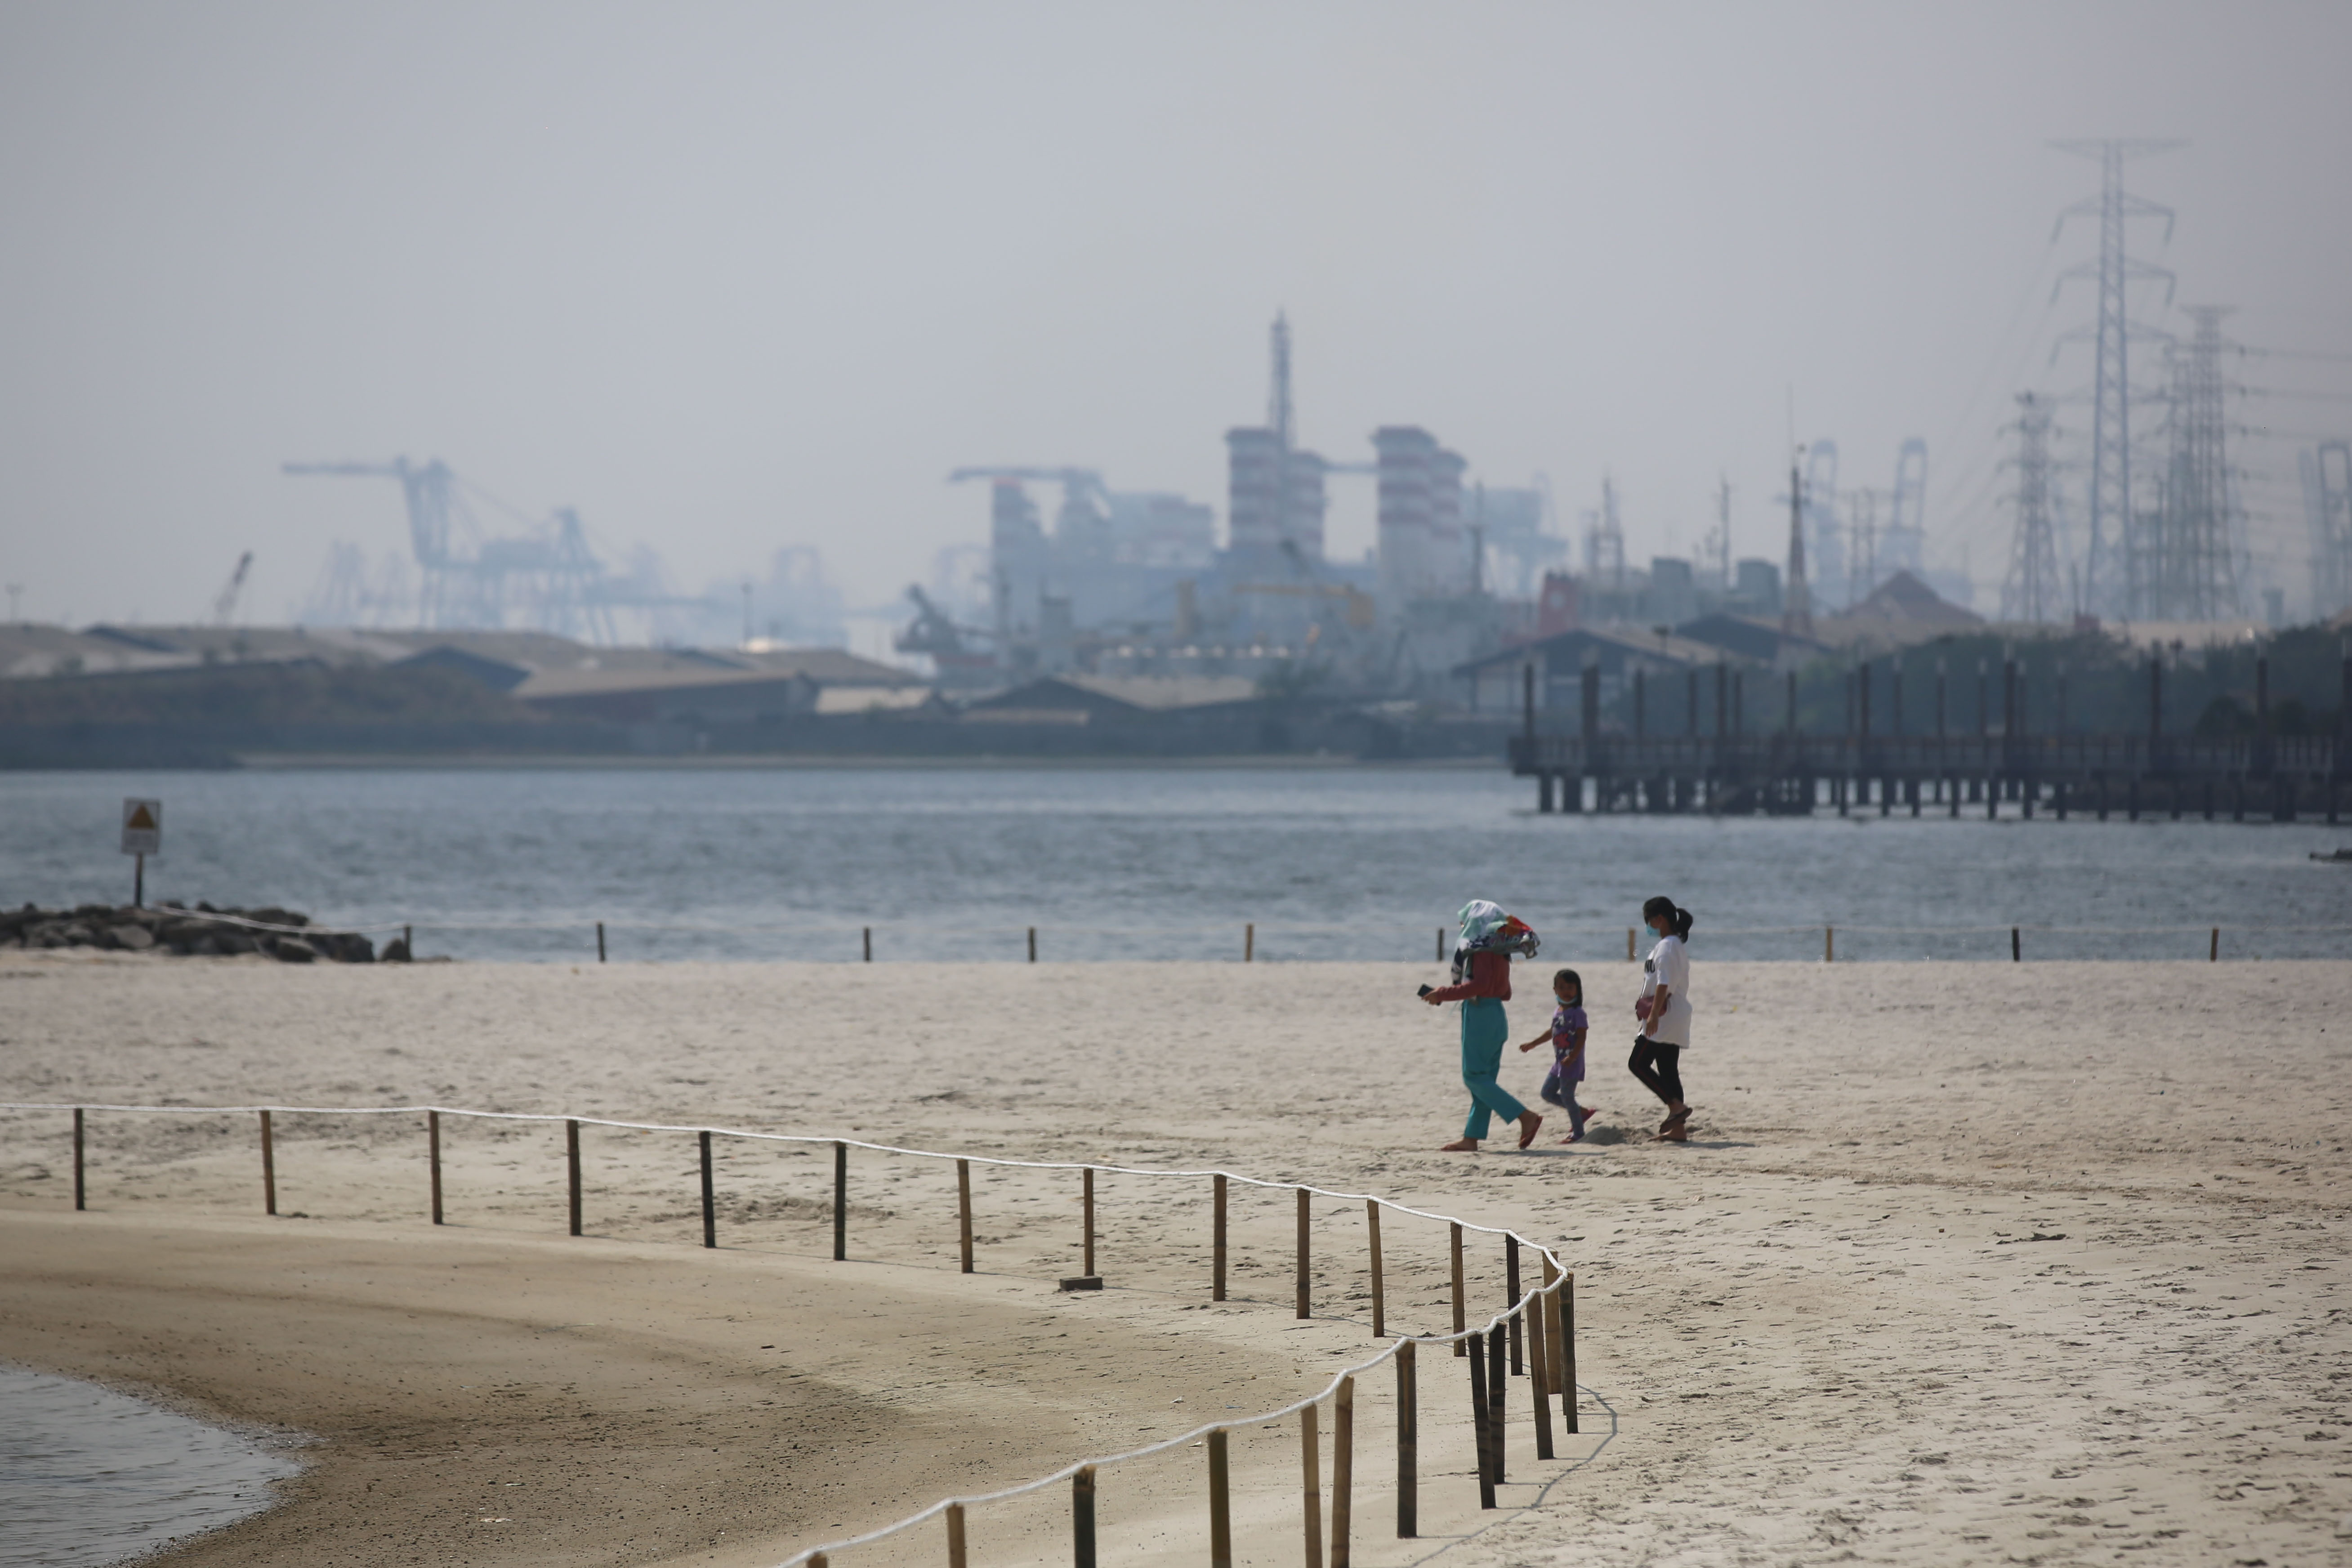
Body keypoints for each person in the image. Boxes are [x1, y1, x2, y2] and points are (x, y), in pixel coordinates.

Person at [1425, 900, 1544, 1153]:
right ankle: (1472, 1137)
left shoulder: (1480, 950)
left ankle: (1526, 1117)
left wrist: (1441, 994)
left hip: (1480, 1016)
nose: (1462, 925)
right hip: (1496, 1014)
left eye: (1466, 920)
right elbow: (1505, 990)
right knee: (1485, 1080)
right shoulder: (1500, 950)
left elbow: (1478, 986)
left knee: (1474, 1077)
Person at [1629, 896, 1695, 1141]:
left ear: (1659, 919)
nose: (1647, 926)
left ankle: (1676, 1107)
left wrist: (1654, 1014)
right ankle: (1678, 1130)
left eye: (1648, 921)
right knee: (1668, 1071)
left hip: (1665, 1015)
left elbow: (1663, 984)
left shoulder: (1667, 946)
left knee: (1637, 1063)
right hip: (1675, 1015)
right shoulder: (1674, 944)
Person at [1519, 968, 1593, 1142]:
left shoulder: (1578, 1013)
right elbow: (1552, 1032)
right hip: (1559, 1063)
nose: (1566, 992)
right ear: (1555, 990)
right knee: (1547, 1093)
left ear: (1577, 989)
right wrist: (1533, 1044)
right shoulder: (1558, 1011)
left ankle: (1578, 1133)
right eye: (1562, 988)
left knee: (1568, 1096)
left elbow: (1582, 1037)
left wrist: (1573, 1057)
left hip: (1572, 1062)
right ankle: (1580, 1111)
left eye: (1570, 988)